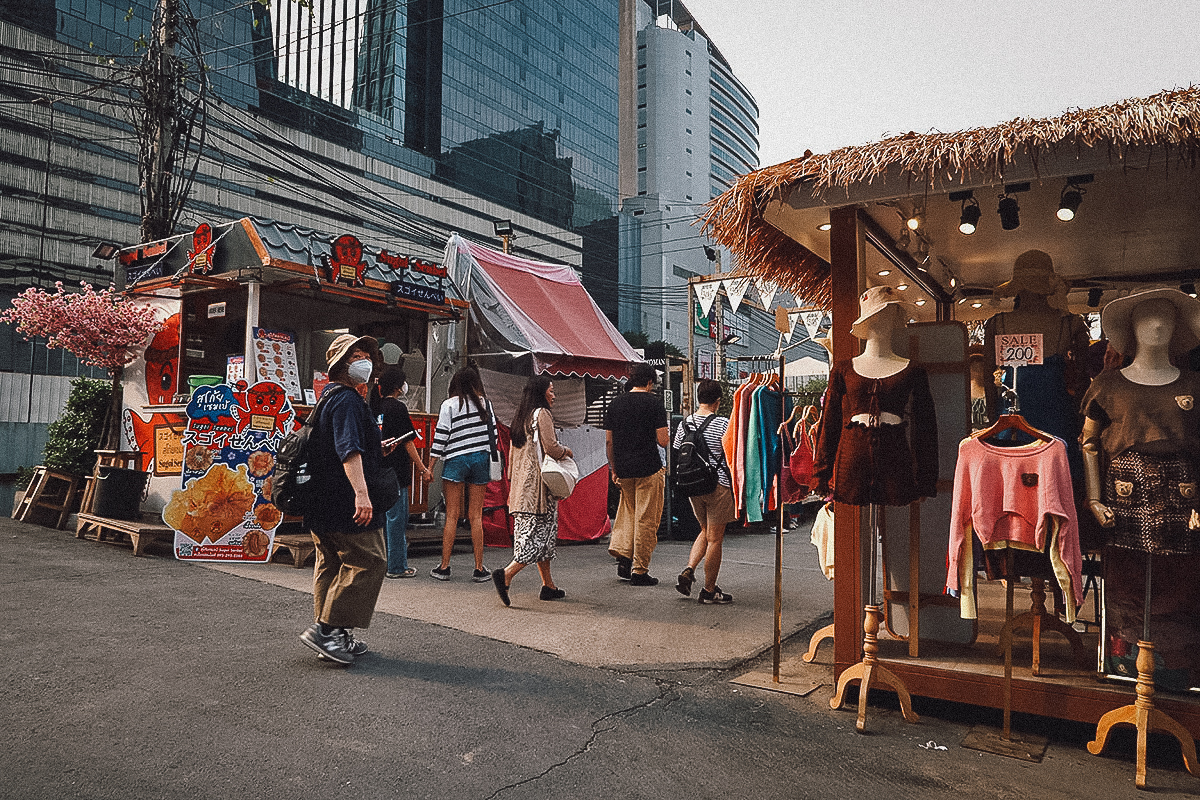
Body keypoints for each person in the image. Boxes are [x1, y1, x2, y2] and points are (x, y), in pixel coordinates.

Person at [1081, 288, 1200, 688]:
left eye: (1165, 315)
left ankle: (1173, 670)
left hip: (1182, 497)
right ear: (1130, 328)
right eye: (1147, 316)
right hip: (1123, 494)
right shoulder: (1108, 385)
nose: (1157, 323)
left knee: (1179, 580)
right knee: (1127, 580)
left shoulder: (1194, 385)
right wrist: (1094, 498)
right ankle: (1125, 660)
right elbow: (1089, 442)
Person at [299, 334, 395, 665]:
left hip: (321, 500)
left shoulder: (328, 398)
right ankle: (326, 630)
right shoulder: (348, 401)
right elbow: (348, 450)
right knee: (370, 560)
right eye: (356, 356)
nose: (364, 361)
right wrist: (362, 495)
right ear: (341, 364)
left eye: (366, 355)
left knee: (332, 562)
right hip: (344, 502)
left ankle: (335, 634)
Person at [491, 375, 574, 606]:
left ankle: (548, 585)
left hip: (520, 489)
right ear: (541, 393)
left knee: (542, 537)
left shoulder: (521, 417)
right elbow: (551, 448)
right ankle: (506, 574)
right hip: (538, 490)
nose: (554, 395)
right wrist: (567, 451)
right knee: (535, 539)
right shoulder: (542, 415)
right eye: (551, 390)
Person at [603, 361, 669, 585]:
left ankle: (624, 557)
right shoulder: (654, 404)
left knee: (627, 515)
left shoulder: (615, 404)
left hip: (623, 468)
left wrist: (614, 468)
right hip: (648, 467)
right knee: (646, 520)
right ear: (650, 382)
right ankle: (639, 570)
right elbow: (663, 440)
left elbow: (609, 441)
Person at [428, 365, 495, 582]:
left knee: (452, 516)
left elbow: (441, 438)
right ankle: (479, 568)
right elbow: (492, 435)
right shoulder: (486, 405)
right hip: (480, 459)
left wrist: (430, 466)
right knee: (475, 516)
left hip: (456, 459)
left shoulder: (449, 405)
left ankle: (445, 567)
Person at [673, 379, 735, 604]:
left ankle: (689, 569)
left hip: (692, 485)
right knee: (715, 539)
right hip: (717, 485)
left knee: (705, 529)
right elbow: (731, 454)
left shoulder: (684, 424)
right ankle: (709, 591)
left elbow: (678, 450)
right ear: (718, 401)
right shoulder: (723, 424)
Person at [376, 367, 433, 579]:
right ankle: (397, 566)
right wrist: (422, 468)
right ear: (399, 386)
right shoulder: (398, 408)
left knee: (381, 519)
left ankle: (381, 563)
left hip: (377, 469)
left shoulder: (375, 406)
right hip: (396, 470)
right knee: (396, 519)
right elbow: (408, 442)